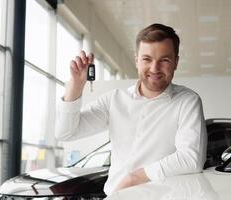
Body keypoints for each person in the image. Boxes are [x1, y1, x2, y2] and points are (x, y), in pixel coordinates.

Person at [56, 23, 207, 195]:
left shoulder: (187, 101)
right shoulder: (114, 100)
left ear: (176, 62)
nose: (154, 68)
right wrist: (75, 85)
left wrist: (134, 178)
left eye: (164, 60)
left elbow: (191, 158)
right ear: (137, 60)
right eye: (147, 59)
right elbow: (65, 133)